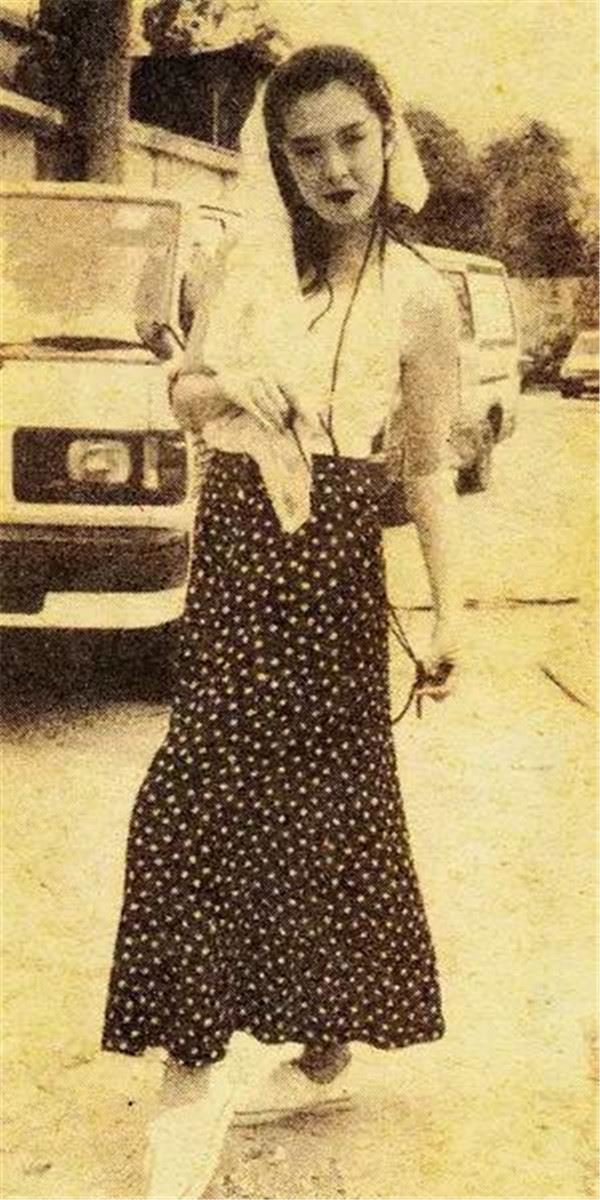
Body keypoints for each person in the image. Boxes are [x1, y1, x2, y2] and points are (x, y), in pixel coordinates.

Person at [102, 43, 463, 1200]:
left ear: (388, 135)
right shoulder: (248, 266)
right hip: (239, 561)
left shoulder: (422, 298)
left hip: (339, 574)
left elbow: (427, 473)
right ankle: (192, 1060)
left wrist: (448, 613)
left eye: (352, 139)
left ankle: (322, 1044)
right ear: (280, 162)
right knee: (191, 803)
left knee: (330, 815)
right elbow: (184, 393)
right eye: (306, 150)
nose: (334, 168)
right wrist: (230, 390)